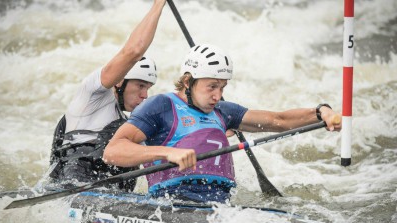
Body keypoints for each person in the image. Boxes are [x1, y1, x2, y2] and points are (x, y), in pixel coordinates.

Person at [103, 44, 342, 201]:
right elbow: (113, 151)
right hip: (172, 202)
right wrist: (168, 153)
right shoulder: (161, 106)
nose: (218, 96)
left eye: (222, 87)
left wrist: (321, 112)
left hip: (219, 206)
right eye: (211, 87)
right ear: (188, 81)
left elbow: (278, 120)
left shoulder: (223, 112)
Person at [48, 0, 167, 191]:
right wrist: (158, 5)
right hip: (73, 188)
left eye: (148, 88)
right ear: (120, 82)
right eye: (140, 86)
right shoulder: (91, 94)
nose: (145, 95)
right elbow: (133, 51)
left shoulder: (131, 126)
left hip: (114, 199)